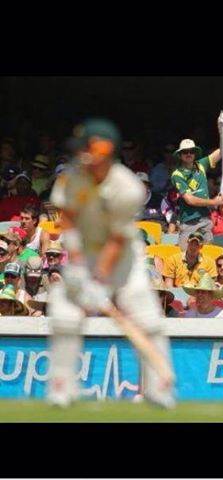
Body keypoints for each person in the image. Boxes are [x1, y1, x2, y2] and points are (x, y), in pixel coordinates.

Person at [47, 118, 175, 408]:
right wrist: (77, 264)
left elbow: (117, 239)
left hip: (124, 260)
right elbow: (68, 220)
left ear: (103, 150)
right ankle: (61, 388)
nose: (79, 154)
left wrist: (98, 279)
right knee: (65, 316)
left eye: (85, 148)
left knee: (147, 318)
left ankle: (158, 388)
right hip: (83, 255)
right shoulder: (71, 178)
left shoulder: (128, 188)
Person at [171, 137, 223, 249]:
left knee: (207, 254)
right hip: (189, 221)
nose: (189, 154)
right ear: (180, 155)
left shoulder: (201, 165)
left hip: (206, 219)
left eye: (191, 151)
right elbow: (190, 200)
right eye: (185, 152)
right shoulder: (177, 174)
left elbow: (222, 151)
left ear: (195, 153)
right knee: (185, 254)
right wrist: (213, 202)